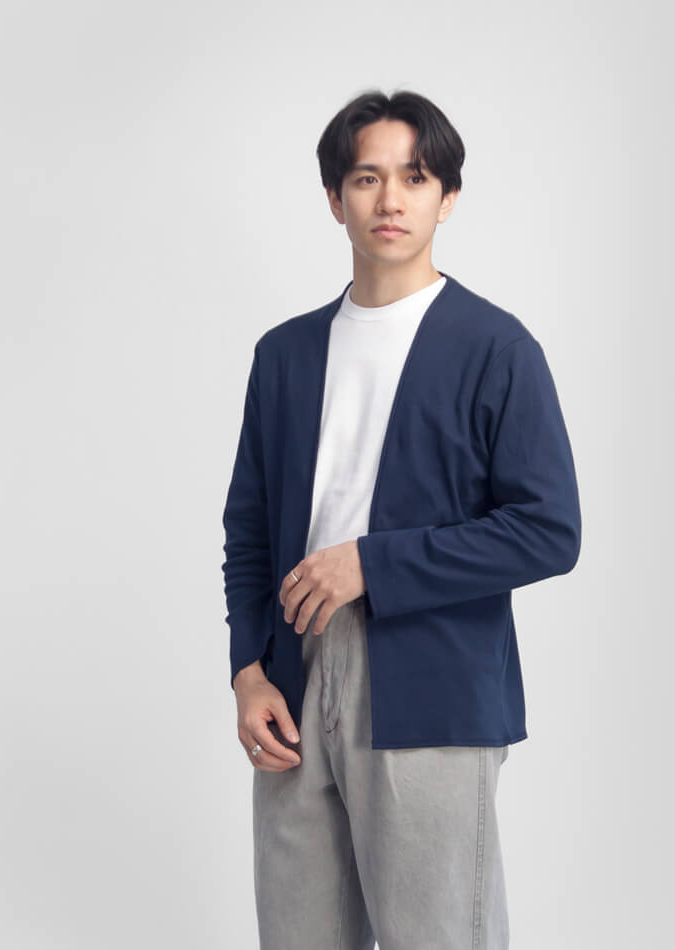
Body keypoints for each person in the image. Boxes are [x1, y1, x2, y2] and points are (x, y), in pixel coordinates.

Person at [221, 88, 582, 950]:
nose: (390, 199)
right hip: (294, 680)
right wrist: (248, 671)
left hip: (432, 684)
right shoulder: (284, 354)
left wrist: (371, 565)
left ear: (447, 197)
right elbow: (250, 530)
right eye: (367, 178)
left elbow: (548, 528)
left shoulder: (496, 349)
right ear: (334, 197)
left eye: (415, 178)